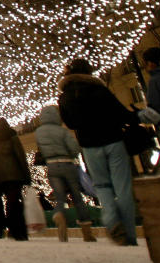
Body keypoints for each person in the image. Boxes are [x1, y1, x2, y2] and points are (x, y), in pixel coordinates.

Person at [58, 58, 139, 247]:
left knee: (102, 187)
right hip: (113, 140)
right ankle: (130, 234)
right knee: (123, 187)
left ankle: (112, 221)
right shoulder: (100, 90)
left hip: (89, 145)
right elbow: (120, 114)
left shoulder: (65, 96)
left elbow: (70, 123)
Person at [34, 105, 95, 242]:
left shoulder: (39, 133)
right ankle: (87, 232)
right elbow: (74, 149)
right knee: (77, 198)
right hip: (67, 164)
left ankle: (59, 214)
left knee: (59, 197)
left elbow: (42, 151)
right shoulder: (62, 131)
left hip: (52, 166)